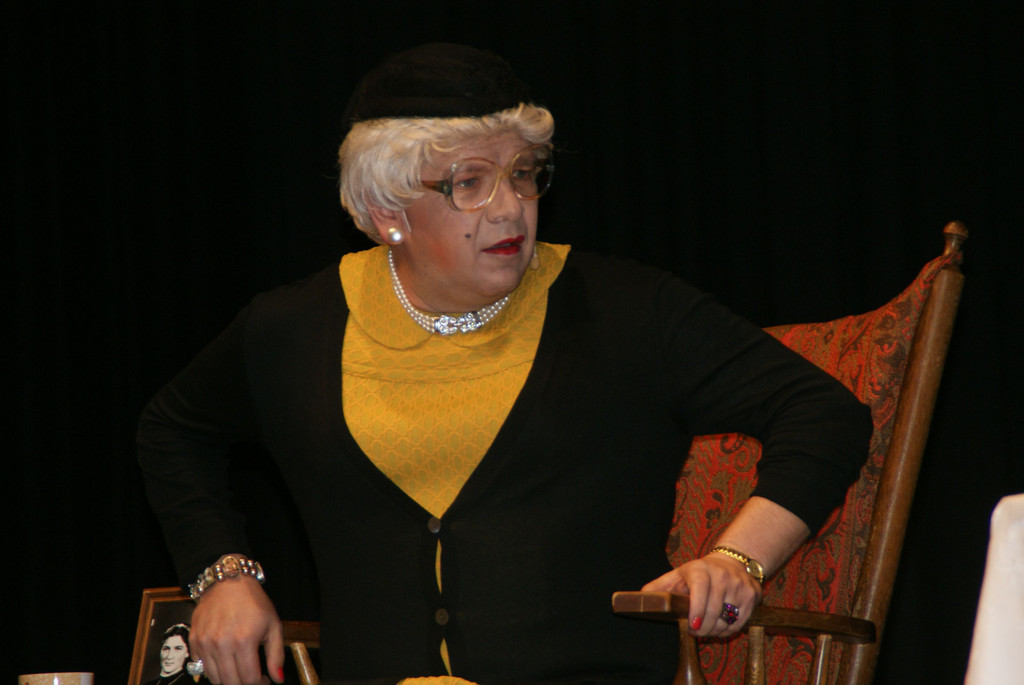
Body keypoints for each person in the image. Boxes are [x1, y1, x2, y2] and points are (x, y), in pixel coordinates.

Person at [137, 43, 871, 685]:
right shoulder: (293, 328)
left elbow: (823, 412)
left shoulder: (627, 311)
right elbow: (173, 428)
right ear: (388, 211)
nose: (510, 207)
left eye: (524, 174)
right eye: (470, 182)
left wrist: (738, 560)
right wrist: (222, 575)